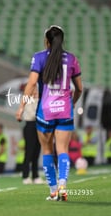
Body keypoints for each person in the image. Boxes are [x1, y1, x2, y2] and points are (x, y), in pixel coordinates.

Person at [16, 25, 83, 201]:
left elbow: (31, 85)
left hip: (45, 112)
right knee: (63, 149)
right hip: (65, 111)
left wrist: (22, 107)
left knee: (46, 149)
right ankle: (62, 184)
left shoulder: (39, 57)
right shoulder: (71, 59)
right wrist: (72, 103)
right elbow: (80, 89)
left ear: (46, 41)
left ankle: (53, 191)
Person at [20, 86, 43, 184]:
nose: (35, 91)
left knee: (36, 153)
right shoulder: (26, 99)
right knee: (29, 152)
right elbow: (32, 114)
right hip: (30, 125)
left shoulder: (39, 99)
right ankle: (25, 175)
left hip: (39, 126)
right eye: (33, 89)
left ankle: (35, 176)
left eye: (36, 89)